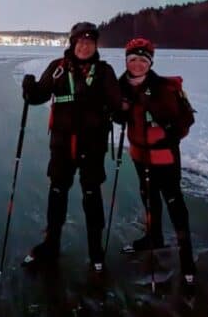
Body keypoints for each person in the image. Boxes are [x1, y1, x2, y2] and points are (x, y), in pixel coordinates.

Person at [21, 22, 121, 272]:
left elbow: (118, 104)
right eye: (81, 42)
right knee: (57, 193)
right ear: (73, 44)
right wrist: (30, 89)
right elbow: (38, 97)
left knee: (91, 195)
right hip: (62, 145)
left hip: (93, 145)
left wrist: (119, 108)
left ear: (96, 46)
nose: (85, 47)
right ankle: (51, 244)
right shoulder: (57, 68)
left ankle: (96, 251)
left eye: (90, 43)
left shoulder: (104, 71)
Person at [118, 37, 197, 283]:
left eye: (143, 60)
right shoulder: (121, 86)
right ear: (127, 61)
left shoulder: (164, 87)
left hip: (164, 156)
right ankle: (154, 237)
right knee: (149, 197)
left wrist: (170, 130)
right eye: (133, 60)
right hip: (140, 155)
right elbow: (119, 116)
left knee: (174, 203)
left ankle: (187, 258)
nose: (138, 64)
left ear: (150, 63)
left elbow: (186, 120)